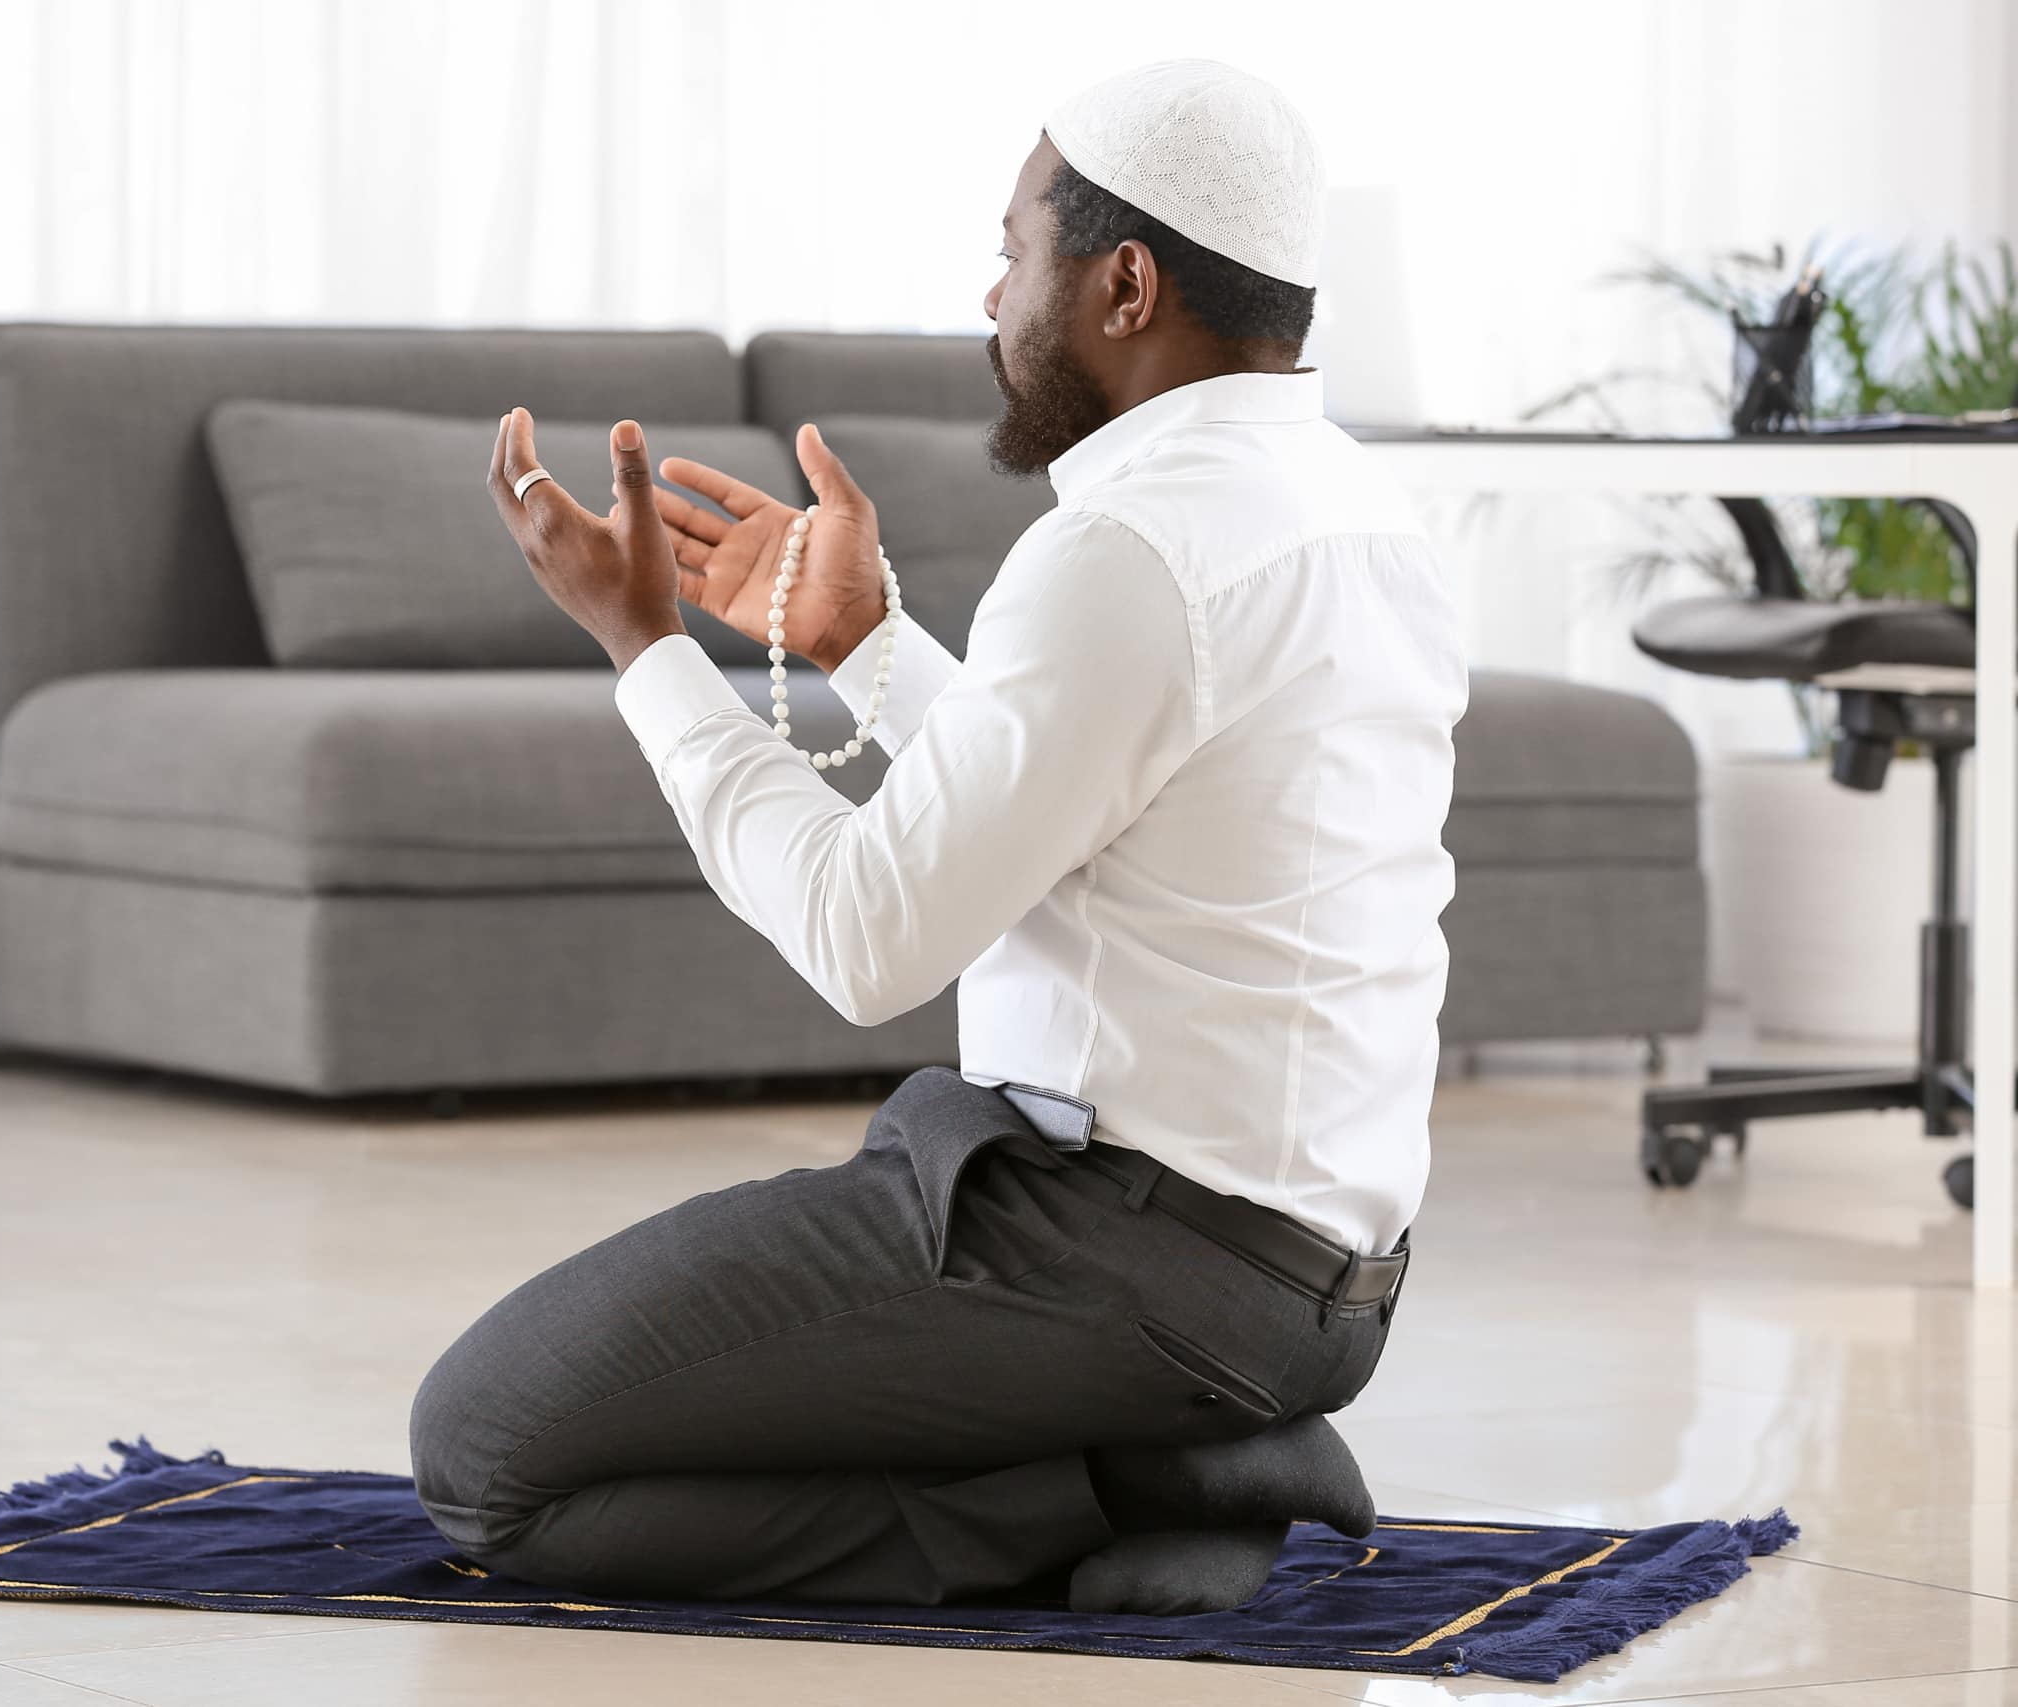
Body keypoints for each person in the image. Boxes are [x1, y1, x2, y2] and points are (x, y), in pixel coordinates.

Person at [410, 59, 1466, 1616]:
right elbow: (1102, 799)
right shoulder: (1355, 510)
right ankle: (1194, 1453)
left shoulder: (1124, 546)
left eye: (1015, 248)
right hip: (1317, 1289)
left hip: (1124, 1258)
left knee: (488, 1453)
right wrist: (862, 641)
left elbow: (865, 937)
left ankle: (1099, 1494)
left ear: (1123, 283)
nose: (992, 296)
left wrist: (646, 653)